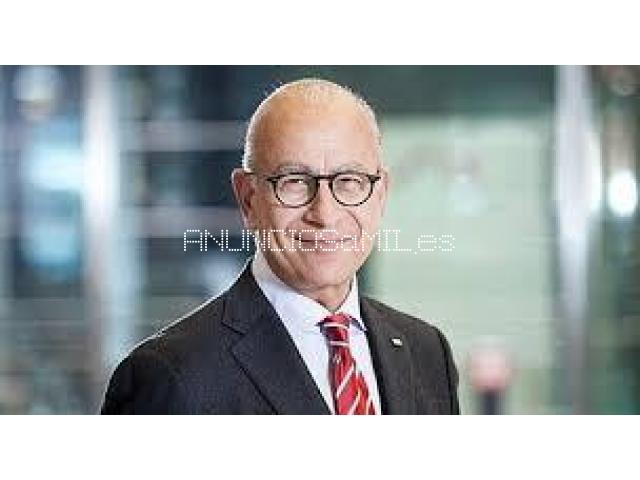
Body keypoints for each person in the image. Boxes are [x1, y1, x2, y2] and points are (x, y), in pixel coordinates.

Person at [101, 78, 460, 414]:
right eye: (295, 182)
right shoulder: (170, 376)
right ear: (248, 199)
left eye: (349, 181)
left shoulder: (427, 352)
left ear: (380, 195)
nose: (325, 214)